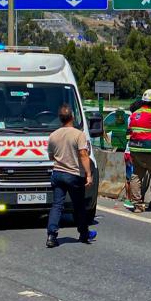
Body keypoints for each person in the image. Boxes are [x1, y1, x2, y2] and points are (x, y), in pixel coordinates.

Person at [46, 104, 95, 248]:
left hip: (57, 173)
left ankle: (51, 235)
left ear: (60, 119)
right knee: (79, 205)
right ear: (72, 117)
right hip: (74, 175)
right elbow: (83, 155)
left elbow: (50, 156)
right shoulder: (79, 134)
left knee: (57, 205)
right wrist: (89, 175)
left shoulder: (53, 135)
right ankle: (84, 233)